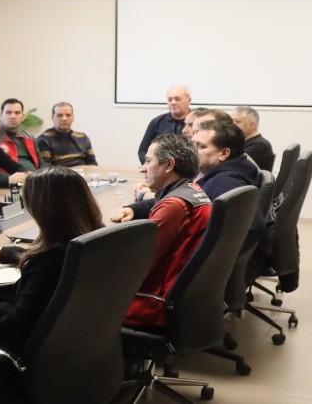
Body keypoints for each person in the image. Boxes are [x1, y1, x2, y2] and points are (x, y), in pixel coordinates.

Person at [0, 166, 104, 351]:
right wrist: (3, 252)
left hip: (18, 352)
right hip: (81, 346)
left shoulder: (47, 264)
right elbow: (58, 255)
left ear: (40, 209)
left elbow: (11, 330)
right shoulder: (95, 241)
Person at [111, 134, 211, 326]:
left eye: (148, 161)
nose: (143, 168)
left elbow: (140, 264)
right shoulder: (194, 190)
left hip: (154, 301)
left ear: (169, 165)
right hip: (183, 295)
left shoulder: (174, 206)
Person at [192, 120, 265, 248]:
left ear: (224, 154)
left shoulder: (227, 183)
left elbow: (253, 227)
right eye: (192, 145)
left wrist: (209, 254)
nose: (192, 151)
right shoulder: (230, 171)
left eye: (201, 146)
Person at [138, 85, 192, 163]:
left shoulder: (197, 121)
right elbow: (143, 150)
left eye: (177, 99)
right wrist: (150, 164)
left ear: (189, 100)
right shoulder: (157, 122)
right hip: (160, 167)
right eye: (170, 100)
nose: (173, 102)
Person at [36, 102, 97, 167]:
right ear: (52, 118)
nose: (64, 119)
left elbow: (92, 163)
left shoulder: (83, 137)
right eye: (59, 115)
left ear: (73, 117)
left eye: (68, 115)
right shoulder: (44, 140)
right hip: (60, 173)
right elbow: (46, 168)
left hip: (85, 172)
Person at [0, 98, 40, 171]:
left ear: (23, 117)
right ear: (0, 116)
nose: (13, 116)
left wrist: (43, 175)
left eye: (17, 113)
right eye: (8, 112)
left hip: (33, 176)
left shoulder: (29, 136)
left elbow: (40, 161)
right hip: (9, 176)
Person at [232, 106, 275, 171]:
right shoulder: (242, 142)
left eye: (237, 122)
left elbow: (232, 165)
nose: (232, 125)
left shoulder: (260, 146)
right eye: (231, 122)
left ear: (252, 125)